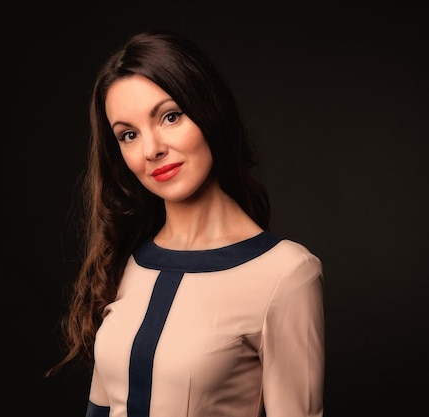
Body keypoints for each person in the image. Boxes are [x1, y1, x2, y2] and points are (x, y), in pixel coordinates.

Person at [48, 30, 325, 417]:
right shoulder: (127, 256)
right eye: (128, 135)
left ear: (208, 109)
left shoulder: (285, 273)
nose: (151, 149)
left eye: (170, 116)